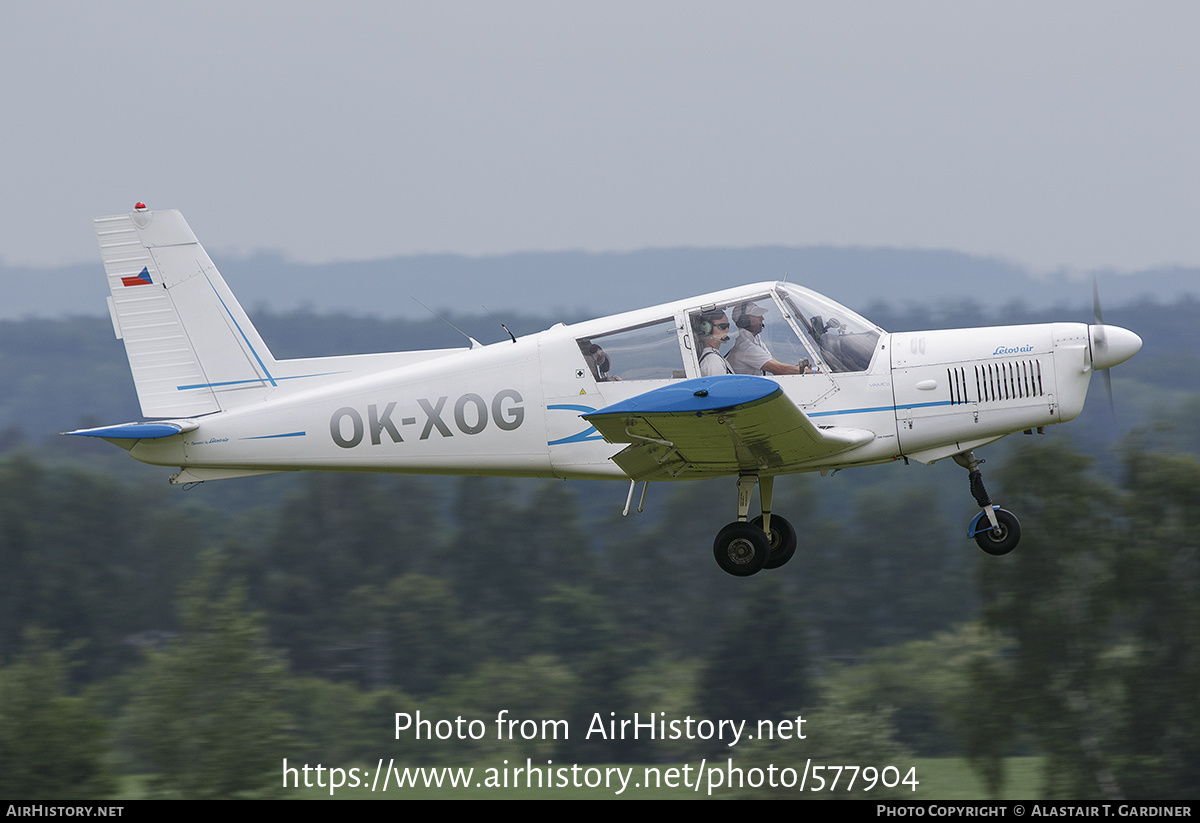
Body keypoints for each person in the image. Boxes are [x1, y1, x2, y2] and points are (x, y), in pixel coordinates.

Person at [727, 301, 812, 376]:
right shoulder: (745, 347)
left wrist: (798, 369)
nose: (762, 318)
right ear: (744, 320)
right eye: (757, 316)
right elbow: (779, 370)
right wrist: (814, 373)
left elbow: (775, 364)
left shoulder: (755, 339)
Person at [694, 310, 734, 376]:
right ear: (707, 329)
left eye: (728, 326)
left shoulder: (714, 356)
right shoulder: (713, 361)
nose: (727, 330)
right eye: (723, 326)